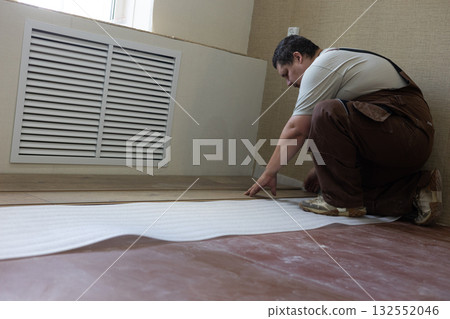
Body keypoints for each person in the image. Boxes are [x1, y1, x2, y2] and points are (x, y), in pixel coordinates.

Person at [244, 35, 442, 225]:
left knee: (324, 111)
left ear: (298, 57)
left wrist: (268, 173)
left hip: (407, 131)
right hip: (404, 140)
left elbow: (297, 129)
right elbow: (351, 129)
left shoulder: (321, 64)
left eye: (286, 73)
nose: (288, 83)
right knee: (348, 188)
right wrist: (325, 169)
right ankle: (417, 190)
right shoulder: (337, 65)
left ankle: (339, 203)